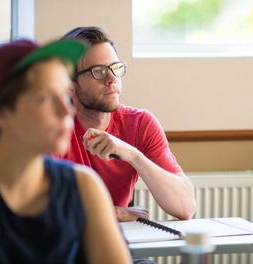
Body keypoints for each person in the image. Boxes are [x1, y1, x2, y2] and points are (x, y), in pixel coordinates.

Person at [0, 39, 131, 263]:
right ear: (0, 113)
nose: (66, 110)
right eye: (45, 98)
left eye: (65, 96)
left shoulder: (84, 186)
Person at [59, 26, 196, 222]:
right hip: (65, 244)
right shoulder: (54, 127)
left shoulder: (140, 123)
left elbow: (186, 207)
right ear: (70, 86)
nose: (112, 78)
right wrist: (115, 212)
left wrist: (134, 156)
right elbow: (41, 207)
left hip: (119, 243)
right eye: (98, 71)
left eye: (115, 67)